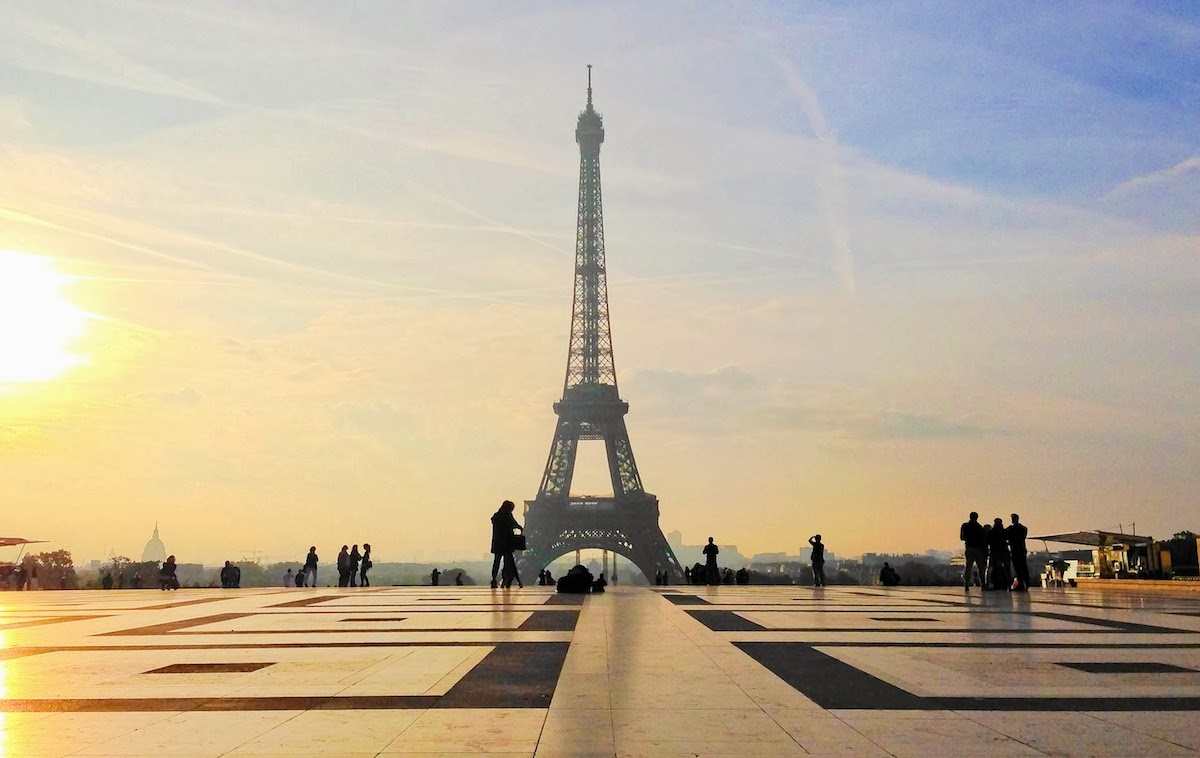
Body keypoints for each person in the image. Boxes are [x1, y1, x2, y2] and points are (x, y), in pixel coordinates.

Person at [490, 500, 524, 589]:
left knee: (496, 562)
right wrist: (519, 528)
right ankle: (505, 580)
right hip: (507, 543)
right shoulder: (508, 516)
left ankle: (494, 579)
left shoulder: (496, 516)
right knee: (508, 563)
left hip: (498, 543)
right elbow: (514, 524)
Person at [960, 512, 987, 591]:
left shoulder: (965, 526)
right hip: (978, 549)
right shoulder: (980, 527)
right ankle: (983, 585)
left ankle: (967, 585)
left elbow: (962, 537)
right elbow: (983, 540)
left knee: (968, 567)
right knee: (981, 568)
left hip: (969, 548)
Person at [1006, 514, 1030, 591]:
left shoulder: (1010, 529)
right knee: (1023, 567)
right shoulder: (1023, 528)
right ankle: (1025, 583)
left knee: (1018, 568)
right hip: (1021, 550)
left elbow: (1006, 537)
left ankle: (1021, 584)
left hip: (1015, 550)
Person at [988, 517, 1011, 591]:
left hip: (995, 552)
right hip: (1004, 552)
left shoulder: (991, 532)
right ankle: (1008, 584)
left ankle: (995, 584)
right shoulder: (1004, 531)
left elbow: (988, 541)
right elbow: (1008, 539)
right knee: (1006, 569)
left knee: (995, 569)